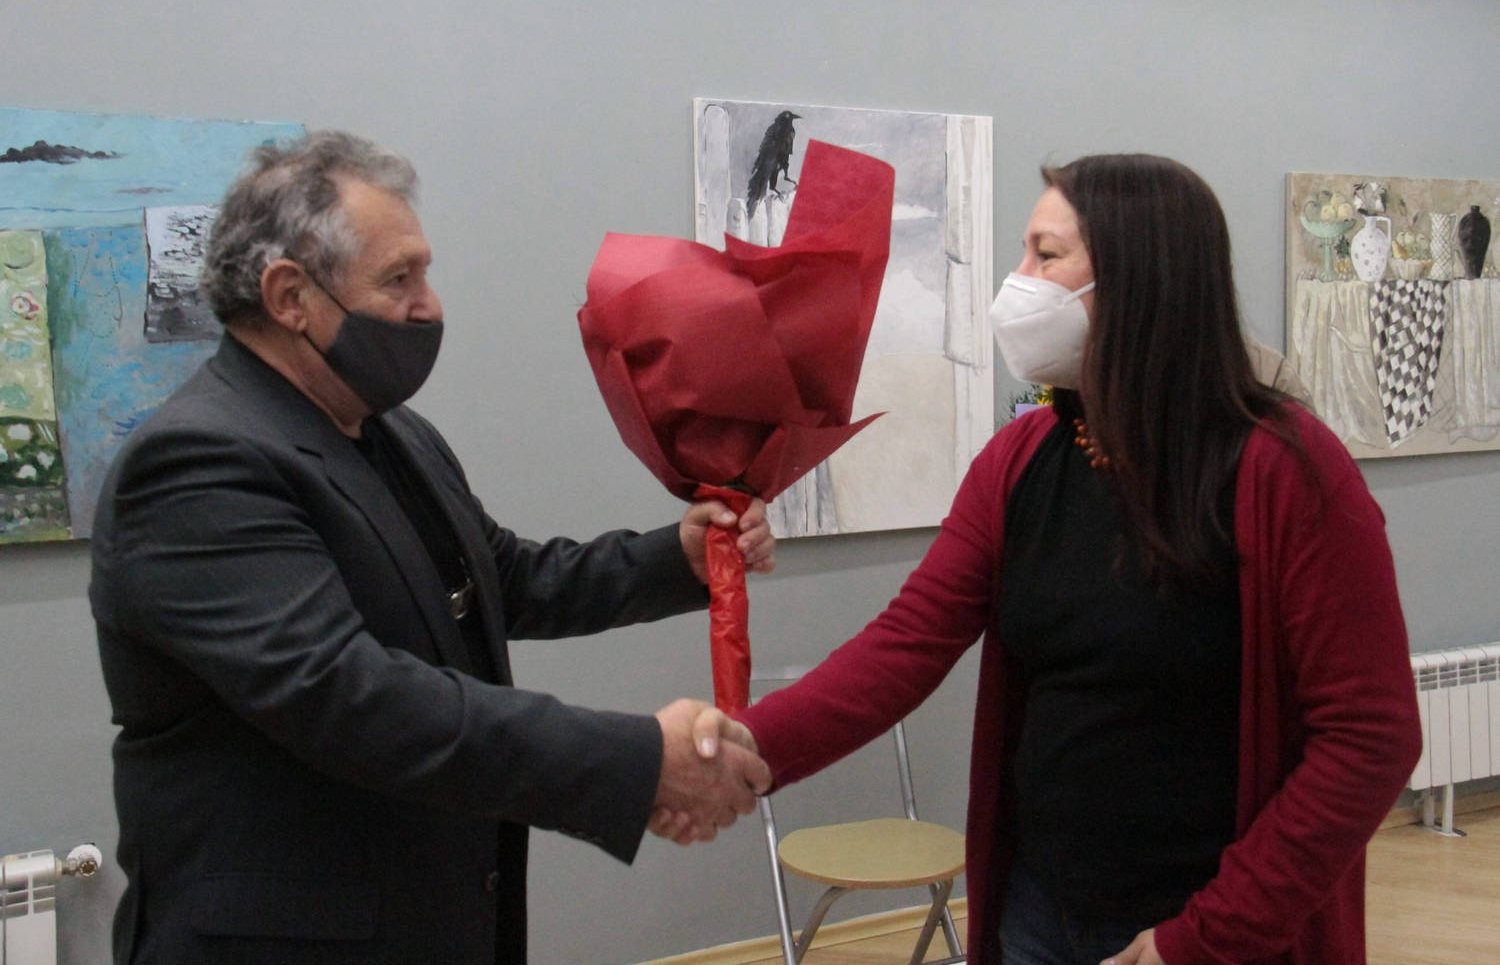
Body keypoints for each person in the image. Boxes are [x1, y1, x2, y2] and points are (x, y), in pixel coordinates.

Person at [681, 154, 1423, 964]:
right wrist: (747, 746)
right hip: (1041, 912)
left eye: (1046, 254)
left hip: (1207, 929)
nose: (1018, 281)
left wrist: (1202, 938)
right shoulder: (1021, 459)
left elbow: (1370, 737)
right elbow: (903, 646)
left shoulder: (1288, 471)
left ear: (1138, 280)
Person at [90, 129, 773, 965]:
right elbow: (347, 696)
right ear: (289, 295)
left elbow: (503, 579)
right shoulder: (197, 463)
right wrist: (636, 761)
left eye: (425, 273)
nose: (429, 306)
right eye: (398, 279)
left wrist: (676, 557)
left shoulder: (391, 432)